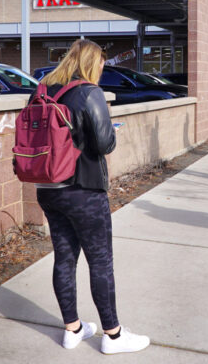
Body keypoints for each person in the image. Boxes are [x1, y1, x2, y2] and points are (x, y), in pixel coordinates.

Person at [35, 39, 150, 354]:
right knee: (100, 260)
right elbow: (103, 143)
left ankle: (73, 329)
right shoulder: (89, 92)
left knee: (64, 257)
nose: (103, 68)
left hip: (48, 187)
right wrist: (113, 131)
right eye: (101, 62)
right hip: (83, 189)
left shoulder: (45, 89)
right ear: (91, 62)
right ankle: (113, 336)